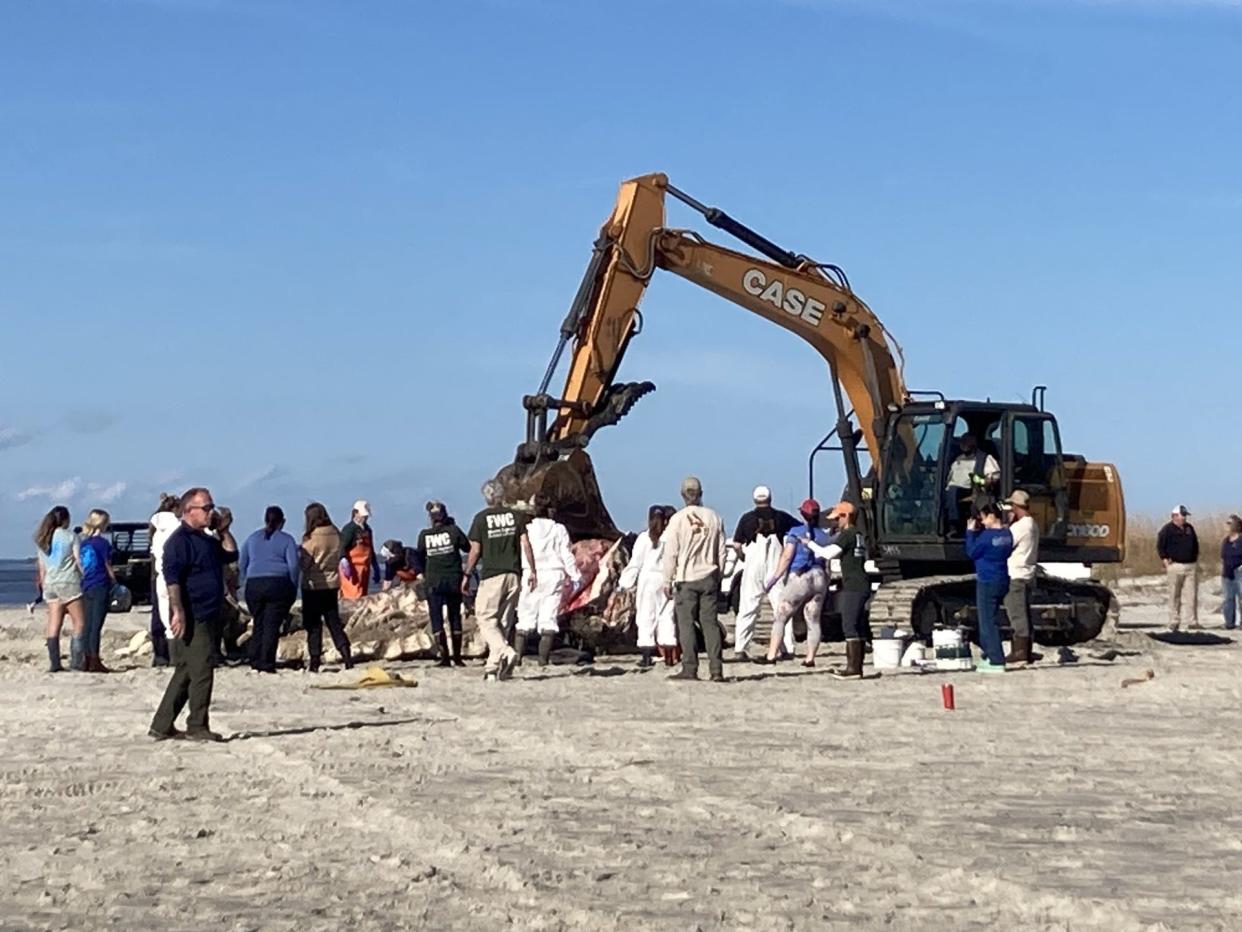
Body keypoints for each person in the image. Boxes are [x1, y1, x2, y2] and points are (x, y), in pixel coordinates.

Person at [149, 487, 238, 741]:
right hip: (192, 612)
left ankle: (161, 724)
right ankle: (197, 725)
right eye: (206, 508)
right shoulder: (179, 541)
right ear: (189, 511)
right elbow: (172, 579)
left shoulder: (206, 539)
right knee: (201, 671)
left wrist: (223, 530)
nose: (211, 512)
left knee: (187, 669)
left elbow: (231, 555)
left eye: (212, 507)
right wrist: (178, 611)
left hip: (211, 611)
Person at [463, 480, 535, 681]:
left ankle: (505, 651)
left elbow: (475, 550)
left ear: (486, 497)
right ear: (502, 496)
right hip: (514, 573)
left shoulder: (481, 518)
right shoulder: (516, 516)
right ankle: (493, 669)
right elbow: (526, 544)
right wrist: (533, 570)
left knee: (484, 617)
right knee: (502, 621)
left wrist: (467, 574)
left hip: (493, 574)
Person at [662, 476, 728, 682]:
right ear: (701, 494)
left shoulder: (678, 519)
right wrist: (719, 574)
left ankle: (690, 667)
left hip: (686, 578)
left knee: (687, 624)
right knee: (710, 624)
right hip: (709, 575)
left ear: (683, 495)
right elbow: (722, 551)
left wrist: (667, 579)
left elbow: (671, 552)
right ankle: (716, 669)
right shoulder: (714, 517)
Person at [756, 499, 831, 667]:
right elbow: (827, 561)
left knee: (781, 615)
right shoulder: (824, 536)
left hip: (799, 577)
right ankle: (810, 658)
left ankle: (771, 655)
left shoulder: (795, 533)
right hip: (819, 576)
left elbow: (787, 556)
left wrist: (774, 578)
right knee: (813, 619)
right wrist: (827, 578)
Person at [802, 502, 871, 678]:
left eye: (837, 518)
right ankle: (858, 667)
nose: (835, 523)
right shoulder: (859, 535)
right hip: (862, 583)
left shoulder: (847, 535)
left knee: (849, 625)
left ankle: (853, 669)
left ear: (845, 516)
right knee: (858, 624)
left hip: (853, 585)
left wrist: (809, 544)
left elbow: (827, 554)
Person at [730, 485, 799, 661]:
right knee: (781, 607)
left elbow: (737, 545)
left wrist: (742, 557)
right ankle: (787, 648)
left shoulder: (746, 519)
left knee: (748, 607)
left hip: (753, 565)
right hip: (776, 565)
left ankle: (740, 647)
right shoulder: (782, 517)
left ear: (755, 500)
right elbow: (800, 531)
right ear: (770, 499)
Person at [517, 493, 584, 667]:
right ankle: (542, 660)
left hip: (532, 572)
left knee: (526, 615)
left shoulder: (527, 528)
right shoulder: (558, 529)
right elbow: (565, 554)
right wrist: (576, 575)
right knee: (548, 617)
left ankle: (517, 659)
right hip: (554, 573)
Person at [239, 506, 300, 674]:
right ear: (283, 521)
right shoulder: (287, 540)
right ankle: (266, 661)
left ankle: (254, 658)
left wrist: (248, 579)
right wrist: (293, 585)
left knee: (259, 621)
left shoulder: (252, 538)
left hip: (254, 583)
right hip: (278, 582)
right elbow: (293, 566)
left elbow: (242, 563)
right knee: (272, 624)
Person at [618, 505, 679, 668]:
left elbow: (635, 563)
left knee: (646, 616)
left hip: (648, 580)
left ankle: (646, 657)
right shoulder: (672, 538)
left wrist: (624, 583)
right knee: (666, 616)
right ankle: (668, 657)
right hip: (667, 578)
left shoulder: (645, 538)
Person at [299, 502, 353, 672]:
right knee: (333, 621)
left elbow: (305, 563)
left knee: (313, 624)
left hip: (313, 584)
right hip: (332, 583)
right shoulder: (336, 533)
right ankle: (346, 655)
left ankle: (315, 659)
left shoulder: (311, 538)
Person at [416, 500, 471, 667]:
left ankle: (444, 657)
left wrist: (423, 573)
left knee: (436, 618)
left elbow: (419, 556)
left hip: (433, 581)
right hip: (453, 578)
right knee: (455, 616)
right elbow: (467, 547)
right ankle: (457, 657)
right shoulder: (454, 531)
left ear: (431, 518)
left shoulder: (424, 535)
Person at [34, 506, 85, 672]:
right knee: (79, 623)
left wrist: (42, 588)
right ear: (65, 520)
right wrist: (85, 576)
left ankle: (54, 663)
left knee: (54, 623)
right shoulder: (71, 536)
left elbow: (42, 568)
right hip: (68, 581)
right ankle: (76, 662)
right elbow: (78, 561)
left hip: (50, 583)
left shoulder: (43, 539)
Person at [966, 503, 1013, 673]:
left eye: (984, 518)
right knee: (992, 618)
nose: (983, 522)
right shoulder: (1007, 535)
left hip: (987, 580)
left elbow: (971, 552)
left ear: (992, 516)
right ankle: (989, 655)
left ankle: (996, 659)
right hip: (1002, 577)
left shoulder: (986, 537)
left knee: (987, 621)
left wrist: (970, 532)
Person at [1002, 490, 1039, 664]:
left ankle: (1020, 651)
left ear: (1016, 506)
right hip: (1028, 573)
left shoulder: (1020, 527)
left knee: (1017, 614)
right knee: (1025, 613)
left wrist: (1006, 525)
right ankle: (1026, 649)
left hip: (1016, 574)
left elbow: (1005, 543)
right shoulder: (1033, 524)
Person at [79, 509, 118, 673]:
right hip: (100, 583)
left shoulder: (84, 543)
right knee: (96, 624)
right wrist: (114, 580)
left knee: (87, 623)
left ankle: (86, 659)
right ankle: (94, 659)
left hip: (86, 584)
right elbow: (107, 564)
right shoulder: (102, 544)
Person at [149, 493, 182, 666]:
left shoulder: (155, 529)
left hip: (157, 575)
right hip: (173, 574)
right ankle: (176, 656)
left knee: (160, 615)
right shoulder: (177, 526)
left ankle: (161, 655)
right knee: (177, 612)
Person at [943, 434, 1000, 530]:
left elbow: (994, 476)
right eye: (963, 442)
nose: (964, 445)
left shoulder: (985, 459)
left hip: (973, 489)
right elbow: (950, 479)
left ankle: (954, 522)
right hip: (954, 490)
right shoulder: (958, 460)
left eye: (967, 442)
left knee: (953, 490)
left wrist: (985, 482)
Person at [1157, 505, 1200, 631]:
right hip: (1175, 566)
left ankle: (1192, 621)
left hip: (1190, 566)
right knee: (1174, 595)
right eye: (1182, 515)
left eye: (1185, 515)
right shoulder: (1167, 530)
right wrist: (1164, 559)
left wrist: (1195, 558)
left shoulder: (1189, 528)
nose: (1184, 518)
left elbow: (1195, 544)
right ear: (1175, 516)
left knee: (1191, 595)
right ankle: (1174, 620)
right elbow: (1160, 546)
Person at [339, 500, 380, 600]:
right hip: (351, 569)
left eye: (366, 516)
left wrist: (375, 566)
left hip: (364, 569)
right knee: (353, 596)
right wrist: (343, 560)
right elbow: (342, 547)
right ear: (355, 513)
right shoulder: (349, 529)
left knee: (362, 595)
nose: (364, 518)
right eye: (363, 515)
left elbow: (371, 549)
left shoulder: (368, 530)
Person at [1220, 515, 1242, 631]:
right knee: (1228, 598)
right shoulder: (1226, 541)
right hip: (1227, 573)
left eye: (1229, 523)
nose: (1227, 525)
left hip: (1239, 572)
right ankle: (1229, 623)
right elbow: (1223, 556)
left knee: (1241, 597)